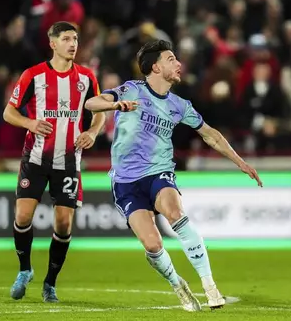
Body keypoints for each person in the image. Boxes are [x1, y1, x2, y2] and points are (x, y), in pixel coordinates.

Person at [84, 40, 262, 312]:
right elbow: (92, 103)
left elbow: (210, 134)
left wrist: (240, 162)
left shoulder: (180, 105)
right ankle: (178, 283)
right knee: (153, 244)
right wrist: (117, 106)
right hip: (125, 182)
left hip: (158, 172)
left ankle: (210, 285)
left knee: (174, 211)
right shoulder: (131, 89)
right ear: (155, 67)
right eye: (171, 59)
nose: (178, 64)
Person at [3, 21, 105, 302]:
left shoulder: (86, 77)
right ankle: (25, 270)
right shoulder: (33, 76)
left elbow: (99, 111)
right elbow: (8, 113)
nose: (73, 44)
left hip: (69, 161)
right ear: (52, 43)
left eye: (75, 39)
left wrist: (92, 132)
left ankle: (50, 282)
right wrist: (30, 122)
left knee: (63, 224)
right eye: (66, 39)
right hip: (35, 158)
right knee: (22, 216)